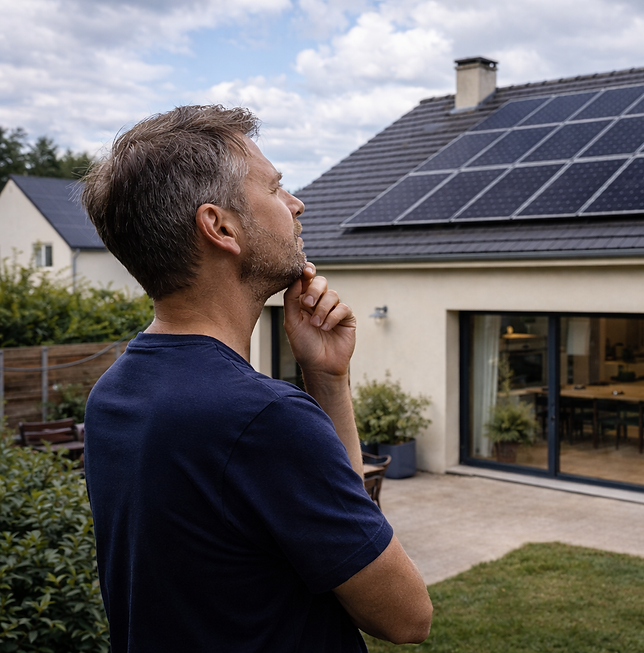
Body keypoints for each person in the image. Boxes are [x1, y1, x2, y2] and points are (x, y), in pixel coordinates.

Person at [81, 105, 432, 652]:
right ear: (220, 226)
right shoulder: (259, 418)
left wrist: (327, 380)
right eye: (276, 188)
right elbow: (406, 617)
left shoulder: (116, 393)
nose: (298, 205)